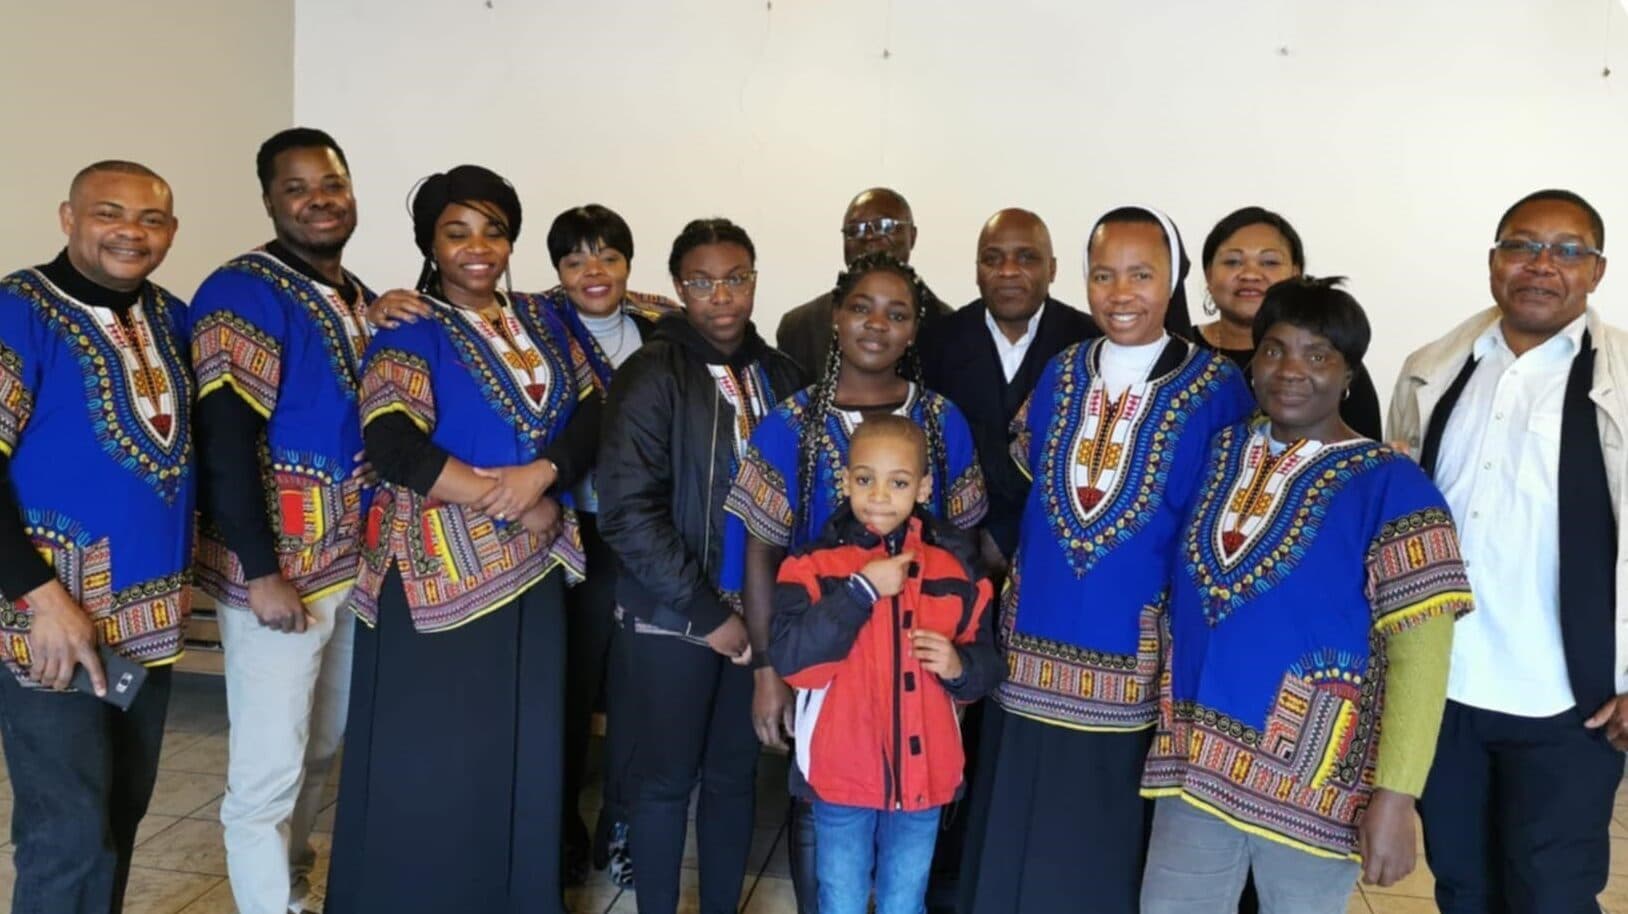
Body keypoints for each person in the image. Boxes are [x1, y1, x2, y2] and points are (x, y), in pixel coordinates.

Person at [367, 202, 679, 889]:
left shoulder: (662, 324)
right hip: (562, 535)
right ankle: (555, 837)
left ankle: (618, 827)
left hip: (645, 535)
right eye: (574, 259)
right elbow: (394, 437)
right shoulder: (540, 317)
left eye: (609, 256)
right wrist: (377, 304)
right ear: (555, 269)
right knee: (563, 694)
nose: (593, 271)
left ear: (630, 264)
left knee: (637, 688)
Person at [1140, 276, 1473, 913]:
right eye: (1274, 349)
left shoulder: (1396, 488)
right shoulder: (1221, 452)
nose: (1291, 370)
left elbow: (1423, 661)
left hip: (1318, 788)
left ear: (1348, 374)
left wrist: (1397, 796)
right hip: (1193, 769)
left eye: (1318, 355)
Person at [960, 205, 1254, 914]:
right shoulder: (1062, 372)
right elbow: (1031, 483)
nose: (1121, 293)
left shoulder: (1218, 388)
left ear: (1173, 280)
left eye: (1141, 275)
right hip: (1029, 651)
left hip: (1134, 659)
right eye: (1103, 275)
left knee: (1100, 842)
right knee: (1018, 825)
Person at [326, 165, 596, 914]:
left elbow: (592, 412)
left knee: (521, 749)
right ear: (430, 245)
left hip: (533, 576)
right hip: (434, 580)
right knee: (435, 758)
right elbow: (393, 446)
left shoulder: (543, 319)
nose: (478, 248)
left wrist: (542, 475)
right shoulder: (409, 328)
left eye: (494, 231)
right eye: (457, 233)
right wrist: (509, 501)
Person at [727, 251, 988, 913]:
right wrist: (767, 670)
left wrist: (959, 672)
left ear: (914, 329)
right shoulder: (789, 423)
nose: (877, 324)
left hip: (916, 675)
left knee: (907, 856)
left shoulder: (942, 421)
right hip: (822, 656)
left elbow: (965, 549)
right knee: (828, 815)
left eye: (897, 313)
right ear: (835, 317)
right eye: (862, 308)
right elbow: (760, 549)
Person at [1390, 188, 1628, 914]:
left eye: (1568, 250)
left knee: (1552, 895)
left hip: (1571, 700)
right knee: (1463, 887)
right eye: (1522, 245)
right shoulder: (1432, 370)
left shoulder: (1621, 379)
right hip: (1446, 688)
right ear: (1494, 260)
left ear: (1596, 271)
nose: (1541, 264)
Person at [0, 160, 192, 913]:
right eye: (110, 212)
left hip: (149, 625)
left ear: (171, 232)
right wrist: (43, 599)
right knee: (67, 831)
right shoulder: (18, 310)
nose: (130, 232)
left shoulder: (172, 318)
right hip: (48, 624)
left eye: (151, 219)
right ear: (68, 217)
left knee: (118, 815)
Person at [190, 127, 372, 914]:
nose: (318, 200)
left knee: (319, 746)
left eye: (330, 183)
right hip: (276, 575)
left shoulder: (354, 293)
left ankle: (291, 885)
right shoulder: (242, 291)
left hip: (346, 565)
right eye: (296, 188)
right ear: (268, 200)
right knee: (267, 769)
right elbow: (224, 439)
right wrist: (261, 571)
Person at [598, 218, 803, 914]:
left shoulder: (782, 376)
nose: (722, 296)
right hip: (673, 619)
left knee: (733, 777)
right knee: (663, 782)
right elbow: (627, 510)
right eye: (703, 282)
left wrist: (765, 620)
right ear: (679, 288)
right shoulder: (651, 373)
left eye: (735, 279)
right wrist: (710, 616)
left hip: (758, 619)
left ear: (754, 280)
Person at [914, 207, 1099, 912]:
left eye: (1026, 257)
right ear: (976, 268)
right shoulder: (938, 340)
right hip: (951, 558)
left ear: (1053, 268)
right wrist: (972, 536)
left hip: (1047, 562)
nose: (1010, 271)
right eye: (994, 257)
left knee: (1018, 726)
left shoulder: (1086, 342)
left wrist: (1009, 536)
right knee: (948, 713)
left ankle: (1010, 871)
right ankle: (946, 876)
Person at [767, 414, 1002, 914]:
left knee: (904, 901)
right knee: (842, 900)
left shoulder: (955, 568)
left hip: (924, 777)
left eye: (897, 483)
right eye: (864, 479)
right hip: (841, 773)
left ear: (923, 488)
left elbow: (987, 669)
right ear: (846, 480)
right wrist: (862, 591)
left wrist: (958, 666)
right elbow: (792, 660)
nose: (878, 496)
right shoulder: (812, 566)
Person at [1194, 206, 1381, 438]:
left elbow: (1365, 449)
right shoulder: (1179, 353)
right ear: (1209, 275)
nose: (1250, 275)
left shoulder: (1332, 364)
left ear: (1296, 274)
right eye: (1232, 262)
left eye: (1269, 262)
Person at [776, 188, 950, 377]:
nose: (868, 236)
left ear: (912, 236)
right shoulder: (799, 327)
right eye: (855, 230)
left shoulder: (949, 326)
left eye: (884, 226)